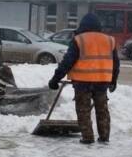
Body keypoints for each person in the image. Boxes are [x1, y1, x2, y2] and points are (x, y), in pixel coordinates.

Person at [48, 13, 120, 144]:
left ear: (82, 26)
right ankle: (104, 138)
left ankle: (87, 138)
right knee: (102, 110)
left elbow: (67, 62)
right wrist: (114, 81)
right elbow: (116, 63)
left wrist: (55, 79)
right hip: (102, 82)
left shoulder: (79, 39)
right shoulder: (109, 40)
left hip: (82, 82)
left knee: (83, 110)